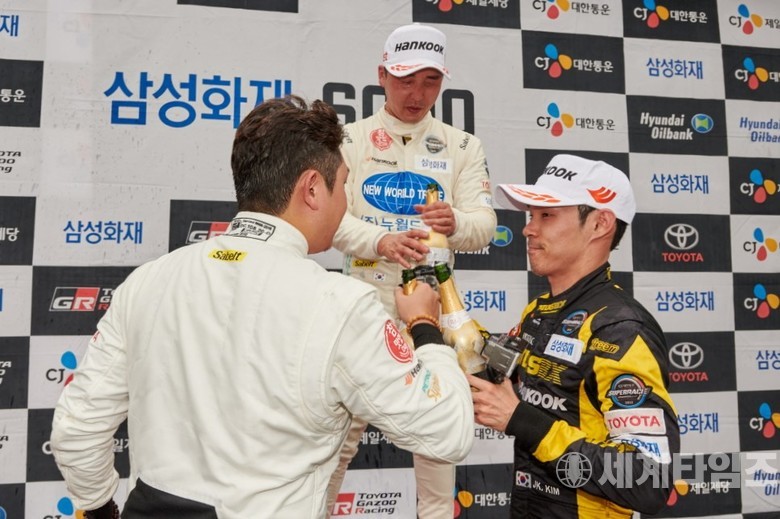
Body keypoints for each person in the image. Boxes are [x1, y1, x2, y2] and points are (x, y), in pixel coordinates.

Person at [49, 95, 475, 519]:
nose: (345, 202)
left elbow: (76, 431)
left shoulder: (148, 280)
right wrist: (424, 324)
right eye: (343, 185)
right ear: (312, 188)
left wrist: (102, 510)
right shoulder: (340, 305)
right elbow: (448, 431)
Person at [328, 23, 497, 518]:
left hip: (430, 308)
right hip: (362, 306)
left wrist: (456, 222)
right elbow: (329, 220)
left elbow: (485, 225)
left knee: (438, 449)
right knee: (335, 448)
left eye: (430, 81)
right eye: (405, 80)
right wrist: (379, 241)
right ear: (382, 75)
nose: (417, 94)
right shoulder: (349, 139)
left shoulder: (463, 146)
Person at [469, 154, 680, 518]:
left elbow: (649, 480)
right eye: (531, 216)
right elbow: (493, 376)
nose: (528, 229)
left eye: (546, 216)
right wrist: (432, 319)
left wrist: (521, 420)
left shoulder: (620, 329)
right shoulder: (539, 311)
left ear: (600, 224)